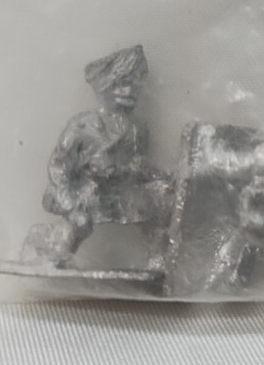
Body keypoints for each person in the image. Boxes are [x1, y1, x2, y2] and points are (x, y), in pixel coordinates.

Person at [37, 45, 173, 268]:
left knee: (153, 208)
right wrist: (69, 199)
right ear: (106, 85)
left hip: (120, 194)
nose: (129, 91)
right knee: (80, 222)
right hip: (87, 192)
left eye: (136, 83)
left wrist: (157, 177)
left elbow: (138, 164)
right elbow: (59, 165)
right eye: (123, 83)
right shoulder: (83, 125)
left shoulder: (138, 129)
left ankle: (159, 259)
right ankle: (57, 254)